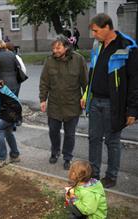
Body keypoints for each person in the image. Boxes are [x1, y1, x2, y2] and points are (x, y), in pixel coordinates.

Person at [81, 13, 138, 188]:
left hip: (114, 104)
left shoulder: (127, 46)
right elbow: (93, 73)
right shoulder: (97, 45)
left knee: (112, 141)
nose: (93, 35)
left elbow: (135, 80)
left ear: (107, 27)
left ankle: (111, 176)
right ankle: (94, 175)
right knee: (93, 139)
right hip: (95, 101)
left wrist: (132, 111)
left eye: (96, 31)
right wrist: (86, 95)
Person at [39, 35, 87, 170]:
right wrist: (43, 99)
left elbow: (85, 82)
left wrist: (85, 98)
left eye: (58, 47)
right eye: (53, 48)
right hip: (54, 104)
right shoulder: (49, 61)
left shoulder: (78, 60)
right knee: (53, 131)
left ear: (66, 47)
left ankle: (67, 157)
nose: (55, 50)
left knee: (70, 134)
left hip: (73, 105)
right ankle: (55, 152)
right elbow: (44, 82)